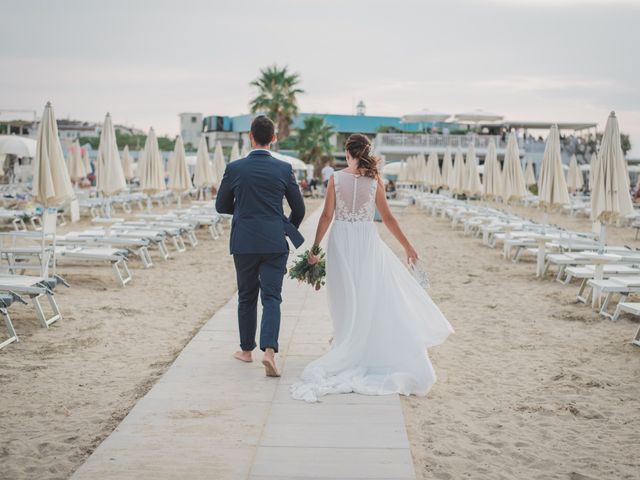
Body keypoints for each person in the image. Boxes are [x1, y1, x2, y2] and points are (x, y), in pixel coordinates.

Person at [290, 134, 453, 402]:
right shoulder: (375, 180)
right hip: (366, 241)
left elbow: (327, 216)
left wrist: (315, 248)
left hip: (341, 240)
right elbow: (387, 218)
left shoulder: (335, 179)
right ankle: (353, 343)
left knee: (343, 296)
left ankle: (345, 342)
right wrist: (407, 246)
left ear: (347, 152)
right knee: (368, 294)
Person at [215, 115, 306, 377]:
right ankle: (269, 352)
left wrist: (244, 211)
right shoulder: (284, 168)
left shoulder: (235, 168)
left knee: (246, 296)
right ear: (274, 139)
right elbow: (298, 209)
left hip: (244, 240)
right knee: (272, 297)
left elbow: (221, 206)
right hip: (274, 241)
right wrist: (286, 228)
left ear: (250, 137)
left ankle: (246, 351)